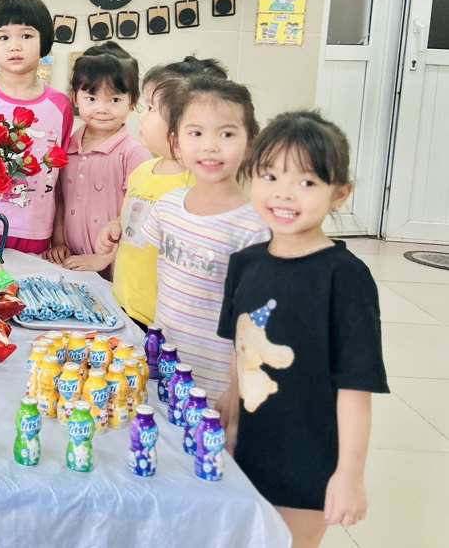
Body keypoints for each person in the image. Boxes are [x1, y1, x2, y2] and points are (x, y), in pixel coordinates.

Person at [219, 111, 387, 548]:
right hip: (249, 446)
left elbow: (356, 385)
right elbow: (240, 352)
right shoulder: (245, 264)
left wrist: (349, 475)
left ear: (340, 194)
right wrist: (232, 425)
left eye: (307, 182)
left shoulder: (344, 277)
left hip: (308, 459)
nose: (284, 193)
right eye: (270, 176)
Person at [140, 75, 269, 394]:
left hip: (219, 386)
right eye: (196, 133)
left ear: (250, 143)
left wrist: (237, 391)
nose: (210, 145)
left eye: (227, 133)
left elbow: (256, 321)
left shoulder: (254, 228)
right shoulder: (167, 206)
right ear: (176, 143)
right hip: (164, 370)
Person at [92, 56, 228, 320]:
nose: (141, 116)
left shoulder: (199, 186)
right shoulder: (144, 171)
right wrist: (116, 225)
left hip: (164, 321)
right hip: (123, 305)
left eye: (152, 108)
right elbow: (135, 219)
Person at [0, 0, 73, 254]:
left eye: (26, 36)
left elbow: (61, 180)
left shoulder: (60, 106)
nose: (15, 46)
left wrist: (59, 240)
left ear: (44, 40)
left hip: (38, 232)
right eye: (3, 37)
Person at [45, 41, 151, 271]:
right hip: (74, 266)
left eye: (114, 100)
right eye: (91, 99)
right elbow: (60, 200)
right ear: (75, 98)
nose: (102, 109)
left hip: (117, 270)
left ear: (133, 101)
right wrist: (59, 243)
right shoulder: (67, 148)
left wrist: (106, 259)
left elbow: (141, 218)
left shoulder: (134, 154)